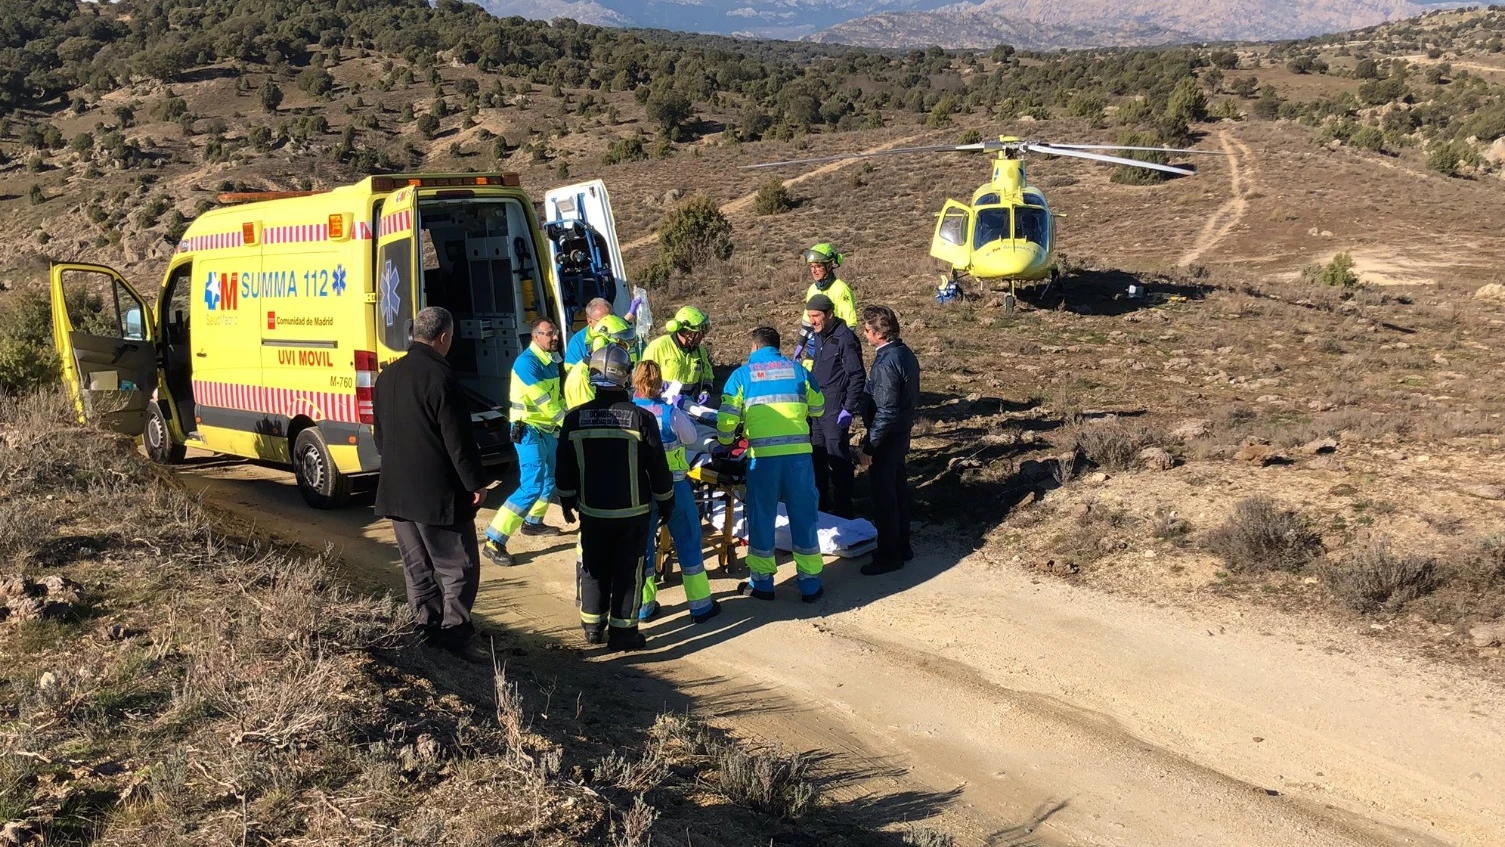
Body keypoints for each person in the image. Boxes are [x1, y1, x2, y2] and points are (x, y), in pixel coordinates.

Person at [372, 306, 490, 663]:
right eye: (451, 338)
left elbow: (380, 436)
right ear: (443, 337)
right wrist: (476, 483)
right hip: (436, 493)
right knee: (459, 567)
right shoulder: (441, 376)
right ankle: (455, 636)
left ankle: (425, 629)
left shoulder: (387, 376)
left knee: (417, 566)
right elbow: (458, 440)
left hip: (395, 490)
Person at [556, 345, 676, 650]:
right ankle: (623, 634)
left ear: (592, 375)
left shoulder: (574, 419)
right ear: (625, 378)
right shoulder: (641, 418)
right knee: (627, 571)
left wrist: (568, 500)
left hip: (592, 511)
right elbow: (658, 467)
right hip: (632, 513)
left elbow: (564, 466)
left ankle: (592, 627)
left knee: (593, 567)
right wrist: (666, 500)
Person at [716, 326, 826, 602]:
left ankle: (763, 583)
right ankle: (810, 582)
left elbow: (727, 418)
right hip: (799, 458)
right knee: (803, 515)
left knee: (762, 517)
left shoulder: (742, 375)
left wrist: (726, 440)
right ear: (777, 347)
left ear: (754, 347)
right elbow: (819, 407)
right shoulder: (798, 371)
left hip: (763, 460)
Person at [632, 360, 721, 624]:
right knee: (689, 541)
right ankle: (700, 606)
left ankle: (644, 607)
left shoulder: (626, 412)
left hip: (640, 489)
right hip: (674, 485)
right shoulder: (669, 412)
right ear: (661, 383)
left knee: (643, 546)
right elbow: (691, 438)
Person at [483, 318, 566, 566]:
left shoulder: (550, 359)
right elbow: (546, 404)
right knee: (531, 485)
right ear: (535, 336)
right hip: (528, 430)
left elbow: (557, 398)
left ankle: (533, 523)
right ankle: (493, 540)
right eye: (549, 334)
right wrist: (571, 423)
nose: (554, 338)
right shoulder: (527, 364)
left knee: (550, 476)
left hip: (547, 429)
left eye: (555, 333)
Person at [855, 305, 920, 575]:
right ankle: (901, 546)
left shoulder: (886, 362)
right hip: (901, 432)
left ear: (878, 333)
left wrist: (870, 445)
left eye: (867, 330)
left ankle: (888, 555)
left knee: (884, 498)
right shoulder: (905, 354)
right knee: (897, 492)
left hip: (887, 436)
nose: (865, 334)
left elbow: (886, 409)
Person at [804, 293, 866, 519]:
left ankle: (843, 510)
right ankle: (821, 504)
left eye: (816, 316)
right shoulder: (819, 335)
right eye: (810, 316)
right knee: (817, 454)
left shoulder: (845, 339)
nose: (812, 320)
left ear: (829, 314)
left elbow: (857, 376)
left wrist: (848, 408)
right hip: (817, 406)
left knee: (837, 457)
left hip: (835, 407)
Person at [795, 243, 857, 359]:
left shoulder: (841, 289)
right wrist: (800, 344)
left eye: (818, 266)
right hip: (814, 346)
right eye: (812, 266)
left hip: (834, 347)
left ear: (829, 266)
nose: (814, 271)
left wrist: (839, 348)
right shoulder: (812, 289)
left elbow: (850, 325)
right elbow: (807, 322)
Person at [563, 314, 636, 409]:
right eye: (621, 346)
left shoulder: (604, 371)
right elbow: (589, 417)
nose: (625, 351)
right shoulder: (582, 378)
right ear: (602, 344)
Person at [641, 306, 714, 399]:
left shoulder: (700, 351)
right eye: (700, 333)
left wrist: (706, 391)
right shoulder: (658, 347)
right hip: (663, 405)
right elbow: (644, 379)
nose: (703, 336)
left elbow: (707, 377)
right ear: (687, 332)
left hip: (690, 405)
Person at [563, 298, 613, 374]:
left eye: (611, 318)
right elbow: (574, 375)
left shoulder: (619, 333)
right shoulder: (577, 342)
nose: (608, 323)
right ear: (590, 321)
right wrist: (590, 358)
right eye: (603, 320)